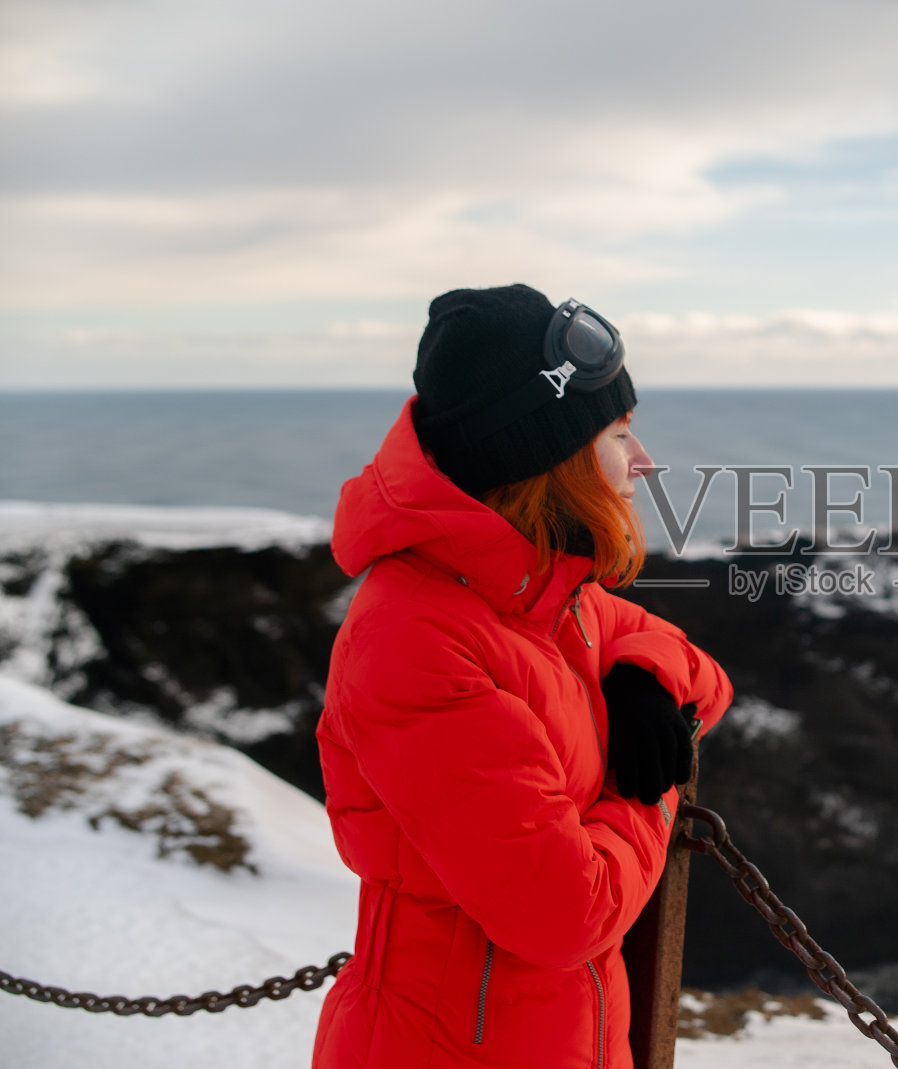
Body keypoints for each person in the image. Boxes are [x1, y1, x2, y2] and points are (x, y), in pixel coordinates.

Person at [312, 284, 732, 1068]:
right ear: (548, 457)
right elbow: (567, 914)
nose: (644, 461)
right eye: (617, 432)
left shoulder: (540, 593)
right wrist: (652, 787)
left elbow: (686, 655)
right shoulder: (415, 637)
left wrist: (644, 678)